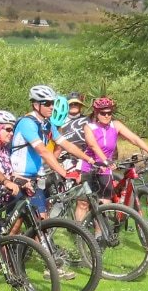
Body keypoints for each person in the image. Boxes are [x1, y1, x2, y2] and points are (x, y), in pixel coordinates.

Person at [9, 85, 90, 216]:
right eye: (47, 103)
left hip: (35, 178)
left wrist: (89, 159)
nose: (52, 106)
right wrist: (64, 173)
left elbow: (66, 144)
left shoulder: (47, 124)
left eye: (53, 103)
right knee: (16, 225)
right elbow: (43, 152)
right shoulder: (27, 123)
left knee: (42, 220)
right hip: (19, 176)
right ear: (36, 105)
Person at [84, 97, 148, 194]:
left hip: (106, 169)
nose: (106, 116)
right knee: (84, 204)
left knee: (105, 202)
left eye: (109, 113)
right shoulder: (89, 127)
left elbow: (134, 138)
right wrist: (106, 160)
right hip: (89, 168)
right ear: (96, 113)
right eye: (103, 113)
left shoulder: (116, 125)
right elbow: (93, 145)